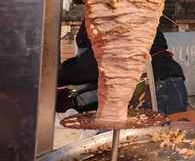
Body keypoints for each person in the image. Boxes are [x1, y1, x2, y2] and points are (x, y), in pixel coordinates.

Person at [58, 20, 188, 115]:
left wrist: (52, 79)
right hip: (167, 82)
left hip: (158, 86)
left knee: (157, 142)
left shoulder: (107, 14)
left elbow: (88, 67)